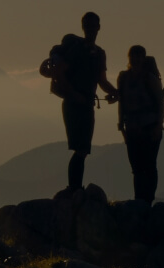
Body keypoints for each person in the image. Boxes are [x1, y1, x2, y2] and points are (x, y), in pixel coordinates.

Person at [39, 12, 117, 192]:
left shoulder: (99, 53)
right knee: (81, 148)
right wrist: (75, 95)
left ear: (98, 27)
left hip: (86, 103)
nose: (90, 29)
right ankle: (74, 189)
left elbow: (102, 81)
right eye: (87, 26)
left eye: (92, 26)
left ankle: (75, 188)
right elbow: (59, 72)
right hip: (75, 103)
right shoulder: (78, 50)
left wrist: (116, 93)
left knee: (82, 149)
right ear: (83, 27)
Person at [116, 45, 164, 203]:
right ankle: (140, 200)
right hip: (132, 129)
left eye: (139, 56)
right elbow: (121, 102)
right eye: (134, 56)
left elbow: (160, 104)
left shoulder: (149, 78)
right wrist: (121, 125)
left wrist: (158, 126)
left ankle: (147, 200)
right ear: (129, 58)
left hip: (150, 128)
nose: (136, 59)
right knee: (137, 168)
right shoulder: (123, 78)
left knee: (149, 166)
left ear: (143, 59)